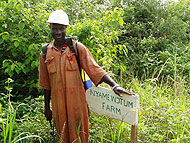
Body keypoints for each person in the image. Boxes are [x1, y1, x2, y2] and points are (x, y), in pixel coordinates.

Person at [39, 10, 134, 143]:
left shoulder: (77, 48)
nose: (58, 32)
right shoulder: (45, 52)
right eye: (54, 29)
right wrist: (46, 107)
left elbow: (95, 69)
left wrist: (114, 85)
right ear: (50, 28)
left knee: (80, 134)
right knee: (62, 136)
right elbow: (45, 84)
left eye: (61, 28)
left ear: (66, 28)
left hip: (77, 104)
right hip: (58, 104)